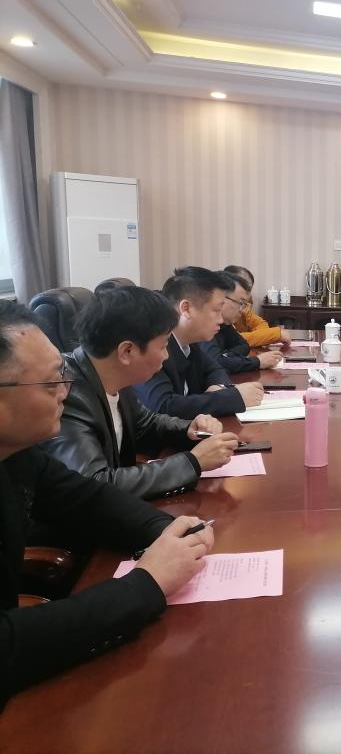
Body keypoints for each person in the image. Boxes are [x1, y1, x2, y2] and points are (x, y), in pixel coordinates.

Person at [0, 301, 214, 705]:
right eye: (51, 382)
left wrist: (167, 532)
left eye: (63, 375)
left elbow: (87, 499)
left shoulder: (17, 453)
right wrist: (147, 583)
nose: (65, 391)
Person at [41, 286, 239, 500]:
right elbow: (94, 483)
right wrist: (193, 462)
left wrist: (189, 429)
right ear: (127, 351)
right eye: (163, 346)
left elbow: (145, 425)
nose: (166, 356)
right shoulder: (66, 394)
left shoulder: (114, 376)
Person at [134, 267, 264, 418]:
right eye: (216, 310)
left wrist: (218, 387)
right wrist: (229, 398)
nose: (220, 319)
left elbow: (215, 369)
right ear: (186, 309)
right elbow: (163, 406)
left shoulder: (189, 343)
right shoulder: (152, 346)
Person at [201, 272, 282, 375]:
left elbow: (244, 345)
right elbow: (215, 363)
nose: (242, 310)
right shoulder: (204, 323)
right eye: (241, 303)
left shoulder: (224, 324)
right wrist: (258, 362)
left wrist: (226, 356)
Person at [224, 264, 291, 349]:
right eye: (243, 287)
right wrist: (275, 334)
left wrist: (261, 336)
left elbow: (262, 326)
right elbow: (234, 340)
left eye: (249, 289)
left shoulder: (244, 306)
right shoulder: (221, 312)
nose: (248, 295)